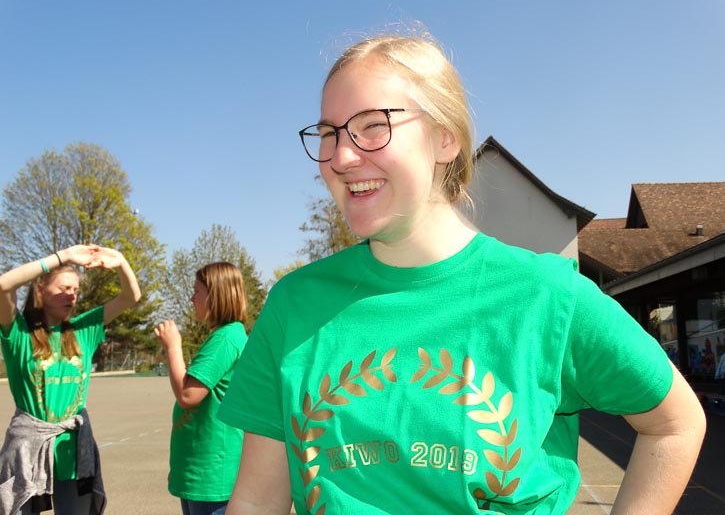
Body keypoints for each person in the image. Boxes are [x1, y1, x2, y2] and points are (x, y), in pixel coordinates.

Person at [217, 32, 707, 514]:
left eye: (372, 125)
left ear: (444, 138)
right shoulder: (294, 304)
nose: (341, 157)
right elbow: (257, 500)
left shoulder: (547, 296)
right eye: (329, 134)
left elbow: (676, 424)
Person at [0, 244, 141, 515]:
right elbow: (3, 285)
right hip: (28, 449)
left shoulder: (84, 329)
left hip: (73, 451)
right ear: (41, 290)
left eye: (75, 290)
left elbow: (130, 296)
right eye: (64, 288)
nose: (72, 295)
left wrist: (120, 260)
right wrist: (62, 257)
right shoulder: (19, 332)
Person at [154, 262, 248, 515]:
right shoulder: (224, 336)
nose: (192, 298)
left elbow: (188, 395)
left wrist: (173, 346)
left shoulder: (226, 338)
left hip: (212, 476)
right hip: (202, 472)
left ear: (216, 295)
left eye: (197, 291)